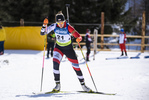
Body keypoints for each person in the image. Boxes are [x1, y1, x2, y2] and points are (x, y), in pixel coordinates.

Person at [40, 11, 92, 92]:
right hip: (58, 48)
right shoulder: (54, 26)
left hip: (68, 49)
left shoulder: (68, 27)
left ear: (64, 21)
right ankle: (57, 85)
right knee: (55, 64)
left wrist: (79, 39)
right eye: (58, 22)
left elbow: (78, 35)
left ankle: (83, 85)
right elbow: (42, 33)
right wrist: (44, 25)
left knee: (76, 67)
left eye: (62, 22)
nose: (60, 24)